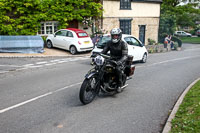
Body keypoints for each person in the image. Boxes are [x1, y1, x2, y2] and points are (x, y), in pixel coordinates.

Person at [101, 28, 128, 92]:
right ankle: (104, 81)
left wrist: (119, 62)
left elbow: (125, 56)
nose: (114, 37)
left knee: (117, 69)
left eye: (116, 35)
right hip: (112, 59)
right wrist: (98, 55)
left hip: (120, 60)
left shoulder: (123, 44)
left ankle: (119, 84)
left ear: (119, 36)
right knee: (102, 67)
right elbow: (104, 51)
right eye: (113, 35)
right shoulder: (109, 43)